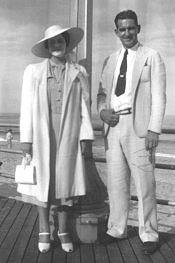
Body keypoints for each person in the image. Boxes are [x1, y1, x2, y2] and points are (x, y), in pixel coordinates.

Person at [18, 24, 94, 253]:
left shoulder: (78, 71)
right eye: (52, 42)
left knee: (65, 183)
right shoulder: (33, 71)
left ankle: (62, 230)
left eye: (60, 41)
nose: (56, 45)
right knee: (42, 182)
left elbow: (84, 108)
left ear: (66, 44)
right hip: (43, 133)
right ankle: (43, 230)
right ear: (47, 46)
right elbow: (26, 107)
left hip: (69, 131)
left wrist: (86, 137)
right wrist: (26, 139)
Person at [97, 10, 166, 254]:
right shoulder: (109, 60)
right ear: (116, 32)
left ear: (139, 28)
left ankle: (149, 233)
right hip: (113, 127)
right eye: (122, 29)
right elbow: (102, 95)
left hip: (139, 129)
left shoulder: (152, 56)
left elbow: (159, 97)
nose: (127, 33)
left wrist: (153, 130)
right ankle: (116, 229)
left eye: (131, 28)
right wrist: (102, 112)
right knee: (116, 184)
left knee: (145, 183)